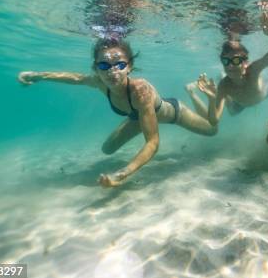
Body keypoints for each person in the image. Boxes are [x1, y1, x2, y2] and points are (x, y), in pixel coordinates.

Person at [17, 38, 217, 187]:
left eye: (119, 65)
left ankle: (194, 93)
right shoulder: (99, 82)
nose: (112, 72)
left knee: (211, 130)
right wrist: (38, 76)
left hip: (173, 113)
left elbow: (153, 143)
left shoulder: (141, 92)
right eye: (104, 65)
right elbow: (75, 78)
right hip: (136, 118)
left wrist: (122, 173)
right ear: (96, 68)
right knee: (107, 149)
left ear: (129, 66)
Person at [185, 0, 268, 125]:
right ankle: (230, 97)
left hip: (263, 95)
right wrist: (212, 99)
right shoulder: (224, 85)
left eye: (236, 60)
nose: (230, 65)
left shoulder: (253, 70)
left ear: (245, 63)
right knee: (232, 112)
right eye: (225, 61)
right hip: (240, 104)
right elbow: (214, 121)